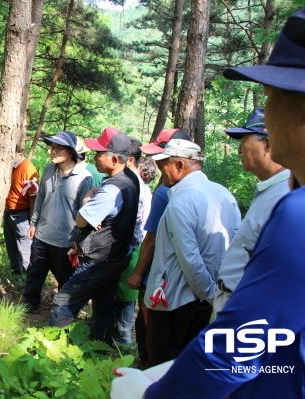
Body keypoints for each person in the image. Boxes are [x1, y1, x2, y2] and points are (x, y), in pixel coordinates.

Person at [111, 10, 305, 398]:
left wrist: (151, 393)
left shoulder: (297, 214)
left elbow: (238, 348)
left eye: (269, 99)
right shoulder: (235, 193)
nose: (265, 119)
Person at [144, 139, 241, 366]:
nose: (161, 173)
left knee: (163, 361)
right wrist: (215, 295)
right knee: (189, 361)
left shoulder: (182, 201)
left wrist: (208, 293)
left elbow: (189, 258)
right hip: (208, 296)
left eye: (163, 166)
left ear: (179, 165)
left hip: (178, 299)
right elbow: (236, 243)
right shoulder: (223, 193)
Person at [50, 128, 139, 344]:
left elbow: (81, 220)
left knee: (63, 301)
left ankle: (52, 348)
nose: (95, 157)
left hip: (99, 259)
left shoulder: (111, 189)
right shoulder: (129, 179)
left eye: (100, 153)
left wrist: (86, 202)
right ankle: (101, 346)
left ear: (115, 159)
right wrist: (91, 198)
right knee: (105, 302)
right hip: (116, 256)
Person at [125, 128, 191, 367]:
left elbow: (151, 237)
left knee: (149, 327)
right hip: (182, 282)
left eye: (160, 156)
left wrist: (138, 273)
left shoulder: (165, 192)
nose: (157, 162)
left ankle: (147, 366)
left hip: (157, 277)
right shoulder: (197, 191)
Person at [214, 108, 290, 312]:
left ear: (267, 144)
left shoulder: (286, 195)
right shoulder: (271, 189)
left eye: (244, 143)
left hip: (251, 310)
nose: (239, 151)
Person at [22, 131, 93, 313]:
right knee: (35, 272)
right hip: (43, 234)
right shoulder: (48, 170)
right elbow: (40, 198)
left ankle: (63, 311)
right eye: (52, 148)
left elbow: (85, 212)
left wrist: (79, 238)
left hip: (66, 239)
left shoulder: (84, 177)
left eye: (58, 148)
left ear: (71, 152)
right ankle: (30, 303)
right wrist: (34, 223)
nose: (52, 152)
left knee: (65, 277)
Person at [110, 137, 153, 345]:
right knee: (120, 291)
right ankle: (117, 332)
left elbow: (134, 218)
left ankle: (123, 335)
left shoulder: (135, 185)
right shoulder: (132, 182)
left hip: (134, 245)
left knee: (127, 293)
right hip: (127, 244)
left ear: (130, 160)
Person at [3, 146, 39, 275]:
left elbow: (34, 195)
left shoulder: (27, 167)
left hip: (22, 214)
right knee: (11, 245)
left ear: (18, 152)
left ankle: (30, 279)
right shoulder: (9, 166)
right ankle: (16, 274)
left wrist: (32, 221)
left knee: (25, 249)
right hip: (9, 212)